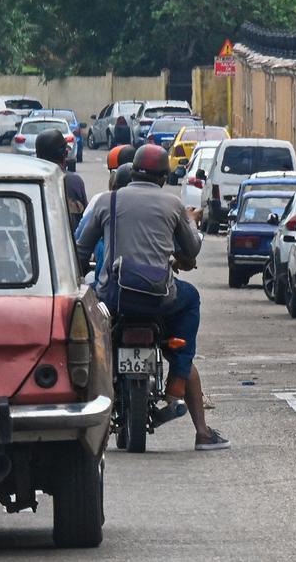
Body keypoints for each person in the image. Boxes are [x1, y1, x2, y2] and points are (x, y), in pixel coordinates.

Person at [75, 144, 229, 451]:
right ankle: (179, 374)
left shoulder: (108, 200)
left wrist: (78, 277)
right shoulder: (172, 205)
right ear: (163, 177)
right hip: (158, 297)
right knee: (191, 298)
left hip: (114, 297)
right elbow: (192, 249)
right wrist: (190, 226)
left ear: (132, 172)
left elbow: (81, 247)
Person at [34, 128, 87, 228]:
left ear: (38, 156)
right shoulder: (74, 181)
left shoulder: (31, 181)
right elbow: (84, 219)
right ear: (64, 155)